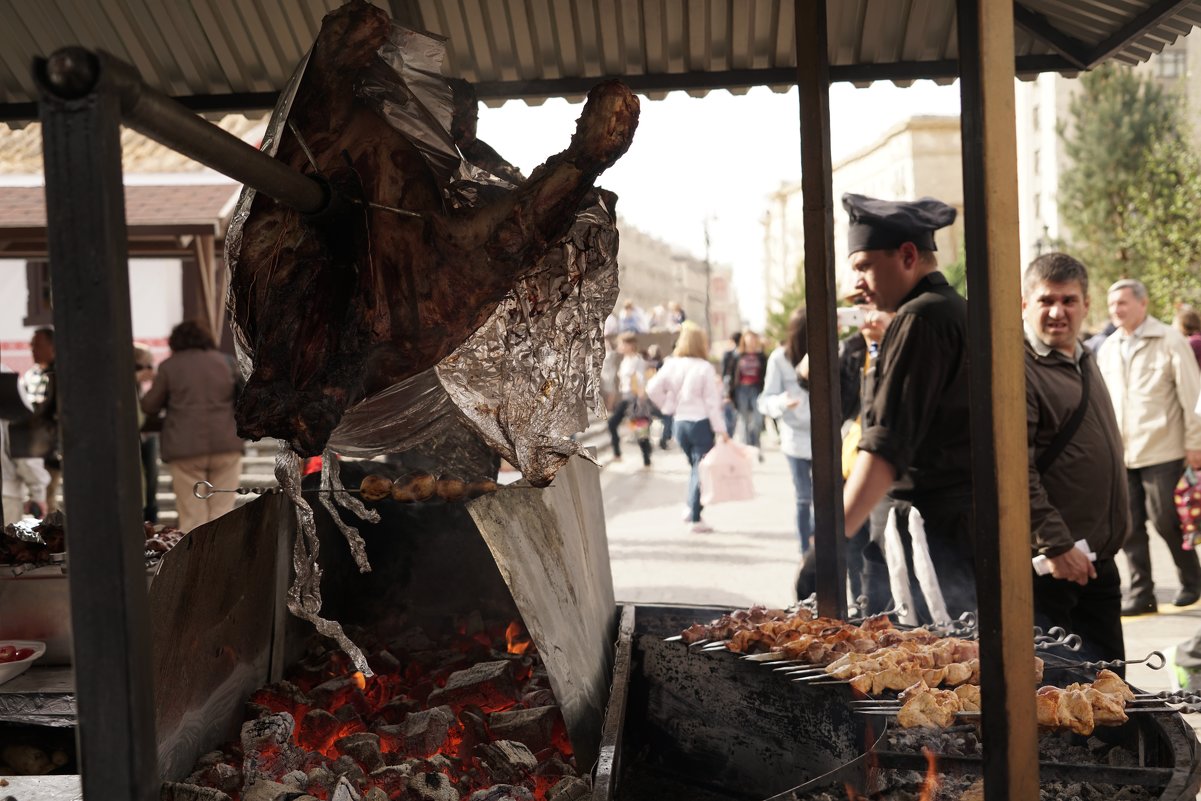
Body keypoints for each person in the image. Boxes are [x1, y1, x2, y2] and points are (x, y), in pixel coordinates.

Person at [839, 193, 973, 623]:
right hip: (951, 535)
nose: (855, 282)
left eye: (863, 266)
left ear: (908, 255)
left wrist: (827, 541)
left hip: (929, 542)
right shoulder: (952, 310)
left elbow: (886, 446)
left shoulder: (920, 318)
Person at [1022, 253, 1128, 666]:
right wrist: (1057, 544)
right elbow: (1016, 471)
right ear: (1024, 303)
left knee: (1113, 692)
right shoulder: (1019, 369)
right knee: (1058, 699)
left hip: (1097, 560)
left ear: (1085, 304)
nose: (1057, 312)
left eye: (1068, 300)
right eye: (1046, 300)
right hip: (1054, 566)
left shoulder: (1084, 356)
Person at [1097, 279, 1201, 615]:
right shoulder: (1109, 347)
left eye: (1123, 303)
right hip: (1122, 452)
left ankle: (1191, 580)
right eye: (1112, 304)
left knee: (1165, 520)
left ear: (1143, 304)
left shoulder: (1169, 340)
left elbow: (1193, 394)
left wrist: (1195, 443)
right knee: (1128, 526)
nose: (1116, 310)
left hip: (1164, 448)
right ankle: (1142, 593)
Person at [140, 321, 245, 532]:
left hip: (184, 447)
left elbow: (150, 406)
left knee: (192, 515)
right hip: (225, 444)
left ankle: (196, 563)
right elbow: (243, 399)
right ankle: (223, 561)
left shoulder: (169, 367)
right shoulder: (227, 362)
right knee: (222, 512)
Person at [647, 322, 729, 533]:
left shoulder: (672, 364)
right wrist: (721, 429)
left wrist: (668, 406)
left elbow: (652, 388)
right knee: (699, 470)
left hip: (679, 423)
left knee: (695, 468)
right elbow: (711, 402)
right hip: (700, 423)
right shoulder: (704, 367)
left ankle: (689, 507)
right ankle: (695, 516)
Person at [758, 308, 812, 553]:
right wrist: (782, 402)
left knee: (827, 499)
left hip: (830, 438)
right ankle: (805, 554)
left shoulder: (832, 351)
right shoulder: (780, 358)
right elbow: (765, 400)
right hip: (795, 439)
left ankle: (823, 548)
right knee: (803, 499)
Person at [26, 327, 60, 513]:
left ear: (52, 346)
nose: (33, 349)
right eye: (32, 345)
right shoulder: (32, 375)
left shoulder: (62, 373)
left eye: (38, 345)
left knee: (51, 501)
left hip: (58, 449)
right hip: (36, 449)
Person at [605, 332, 653, 467]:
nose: (619, 346)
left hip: (634, 399)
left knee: (639, 429)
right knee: (612, 424)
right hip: (626, 398)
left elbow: (641, 378)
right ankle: (617, 453)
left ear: (630, 345)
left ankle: (647, 458)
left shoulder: (637, 361)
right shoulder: (624, 361)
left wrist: (641, 397)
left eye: (621, 344)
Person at [134, 343, 160, 523]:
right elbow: (138, 418)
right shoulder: (129, 385)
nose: (151, 370)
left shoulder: (136, 387)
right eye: (147, 366)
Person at [732, 330, 767, 454]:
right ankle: (747, 445)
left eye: (753, 339)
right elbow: (731, 374)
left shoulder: (761, 356)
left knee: (758, 418)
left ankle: (755, 440)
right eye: (748, 339)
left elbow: (766, 373)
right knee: (744, 418)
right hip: (741, 389)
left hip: (756, 388)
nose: (751, 341)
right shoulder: (737, 355)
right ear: (744, 340)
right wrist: (729, 393)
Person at [719, 331, 741, 437]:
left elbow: (724, 373)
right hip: (740, 387)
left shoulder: (727, 354)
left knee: (729, 415)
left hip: (729, 387)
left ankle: (729, 437)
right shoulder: (742, 354)